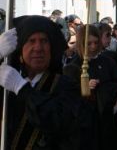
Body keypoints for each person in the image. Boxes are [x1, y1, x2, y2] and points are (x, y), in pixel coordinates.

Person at [0, 15, 92, 149]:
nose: (38, 48)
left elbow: (57, 120)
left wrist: (22, 88)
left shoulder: (66, 86)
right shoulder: (6, 83)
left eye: (43, 41)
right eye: (31, 41)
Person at [74, 24, 117, 150]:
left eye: (95, 42)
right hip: (86, 123)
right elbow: (68, 93)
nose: (93, 47)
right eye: (89, 43)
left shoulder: (107, 61)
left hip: (108, 118)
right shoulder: (75, 65)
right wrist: (84, 86)